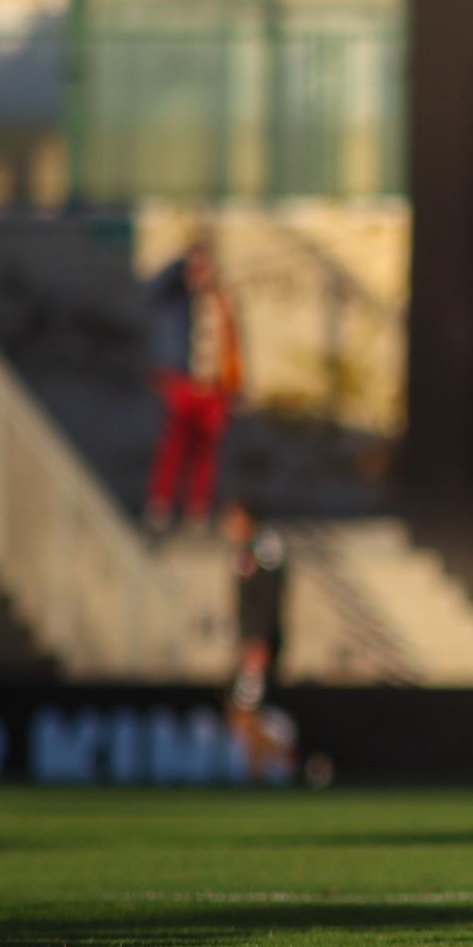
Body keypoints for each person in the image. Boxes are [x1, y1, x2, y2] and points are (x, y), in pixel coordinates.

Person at [143, 238, 244, 531]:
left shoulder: (220, 299)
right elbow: (152, 291)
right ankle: (160, 503)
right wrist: (178, 266)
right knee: (173, 446)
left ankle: (197, 508)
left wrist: (235, 385)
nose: (201, 272)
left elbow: (232, 344)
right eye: (196, 266)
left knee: (206, 450)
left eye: (205, 266)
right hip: (182, 382)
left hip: (213, 386)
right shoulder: (176, 298)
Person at [220, 499, 294, 780]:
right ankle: (259, 769)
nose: (229, 526)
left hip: (258, 643)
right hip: (250, 640)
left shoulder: (266, 546)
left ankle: (283, 763)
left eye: (233, 518)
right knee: (242, 712)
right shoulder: (245, 549)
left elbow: (269, 596)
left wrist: (259, 640)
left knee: (245, 711)